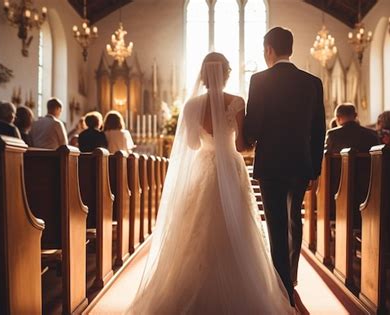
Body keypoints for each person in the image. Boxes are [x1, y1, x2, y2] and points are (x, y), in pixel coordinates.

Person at [127, 53, 294, 314]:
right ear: (226, 74)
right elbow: (241, 145)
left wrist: (208, 139)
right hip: (229, 165)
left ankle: (190, 289)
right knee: (236, 226)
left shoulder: (192, 105)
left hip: (203, 167)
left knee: (197, 226)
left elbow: (191, 144)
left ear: (203, 75)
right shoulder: (237, 102)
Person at [244, 27, 325, 308]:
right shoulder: (312, 82)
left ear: (268, 50)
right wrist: (315, 168)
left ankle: (283, 288)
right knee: (294, 219)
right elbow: (319, 129)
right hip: (301, 162)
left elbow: (253, 124)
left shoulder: (259, 80)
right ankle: (291, 276)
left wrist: (244, 138)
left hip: (270, 163)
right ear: (290, 48)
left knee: (276, 224)